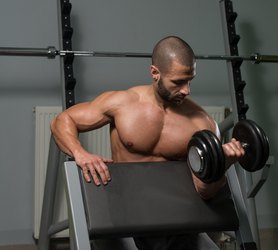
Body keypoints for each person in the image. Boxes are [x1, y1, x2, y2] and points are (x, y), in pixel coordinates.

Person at [50, 36, 245, 249]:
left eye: (190, 81)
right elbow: (62, 120)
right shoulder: (122, 103)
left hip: (176, 218)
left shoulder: (201, 122)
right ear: (155, 73)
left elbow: (204, 191)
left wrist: (223, 164)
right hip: (124, 212)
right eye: (178, 82)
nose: (186, 90)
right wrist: (80, 153)